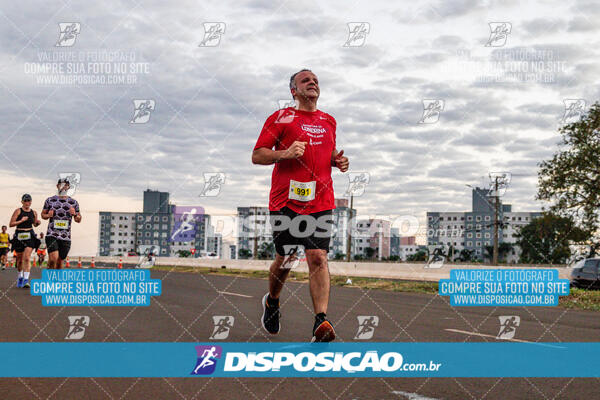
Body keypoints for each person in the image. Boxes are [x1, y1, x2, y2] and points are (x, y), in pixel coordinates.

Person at [252, 69, 349, 342]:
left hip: (320, 200)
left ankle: (321, 321)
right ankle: (272, 301)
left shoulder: (328, 120)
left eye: (315, 80)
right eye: (305, 80)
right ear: (293, 90)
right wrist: (285, 153)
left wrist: (336, 161)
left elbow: (325, 155)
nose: (312, 83)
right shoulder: (281, 117)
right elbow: (257, 155)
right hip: (286, 200)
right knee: (288, 258)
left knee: (318, 257)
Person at [41, 178, 81, 269]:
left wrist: (74, 214)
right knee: (53, 258)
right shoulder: (50, 200)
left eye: (66, 185)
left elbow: (78, 219)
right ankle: (50, 279)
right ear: (57, 186)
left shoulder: (73, 202)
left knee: (59, 261)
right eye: (61, 185)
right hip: (52, 234)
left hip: (65, 236)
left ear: (68, 187)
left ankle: (56, 281)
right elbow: (43, 215)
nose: (63, 187)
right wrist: (48, 215)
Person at [9, 194, 41, 288]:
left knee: (27, 258)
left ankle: (26, 280)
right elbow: (11, 224)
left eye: (29, 201)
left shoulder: (34, 212)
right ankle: (20, 277)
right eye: (25, 200)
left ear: (31, 202)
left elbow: (34, 224)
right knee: (19, 261)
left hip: (29, 235)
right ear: (22, 202)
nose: (27, 202)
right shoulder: (18, 211)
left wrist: (37, 223)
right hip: (19, 235)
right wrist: (21, 220)